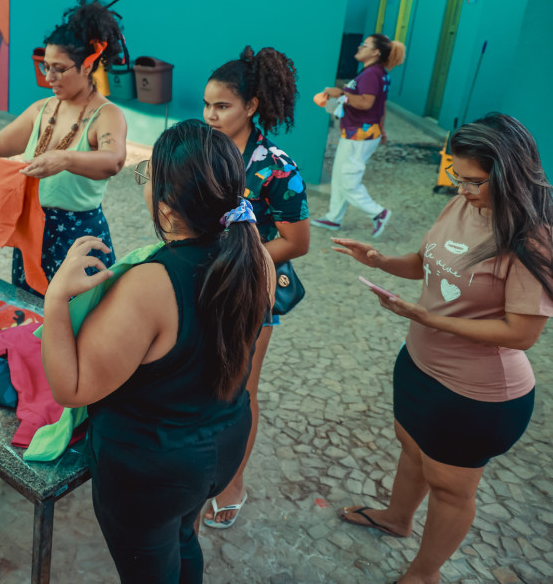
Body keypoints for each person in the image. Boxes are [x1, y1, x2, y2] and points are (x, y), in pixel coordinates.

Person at [41, 119, 275, 582]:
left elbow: (71, 388)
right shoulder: (257, 256)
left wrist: (55, 300)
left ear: (167, 210)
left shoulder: (150, 283)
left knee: (149, 565)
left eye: (148, 176)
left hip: (154, 468)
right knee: (183, 537)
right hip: (223, 443)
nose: (143, 183)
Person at [332, 114, 552, 584]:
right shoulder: (461, 204)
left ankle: (424, 573)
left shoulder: (532, 235)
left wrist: (431, 319)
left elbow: (521, 334)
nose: (462, 188)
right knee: (411, 449)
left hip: (476, 394)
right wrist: (382, 261)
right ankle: (397, 516)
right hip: (419, 363)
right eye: (456, 174)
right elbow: (428, 261)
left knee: (451, 488)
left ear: (510, 173)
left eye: (473, 180)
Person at [0, 0, 128, 295]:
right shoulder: (42, 108)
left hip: (77, 233)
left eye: (59, 68)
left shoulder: (107, 114)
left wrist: (65, 159)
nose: (50, 77)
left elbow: (114, 160)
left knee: (78, 316)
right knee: (31, 310)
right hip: (32, 229)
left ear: (87, 65)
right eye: (45, 67)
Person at [201, 46, 310, 529]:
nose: (210, 115)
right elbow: (160, 178)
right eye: (207, 105)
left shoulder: (278, 168)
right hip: (200, 282)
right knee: (203, 379)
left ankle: (233, 482)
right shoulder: (204, 148)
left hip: (251, 292)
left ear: (251, 106)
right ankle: (200, 464)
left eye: (221, 106)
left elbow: (297, 242)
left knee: (240, 388)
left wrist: (241, 261)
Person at [312, 33, 406, 238]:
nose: (360, 47)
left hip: (359, 135)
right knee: (339, 176)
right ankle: (333, 218)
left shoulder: (372, 74)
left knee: (348, 180)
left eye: (365, 45)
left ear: (375, 52)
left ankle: (378, 212)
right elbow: (381, 106)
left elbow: (366, 103)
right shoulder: (377, 72)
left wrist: (340, 93)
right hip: (361, 132)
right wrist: (382, 129)